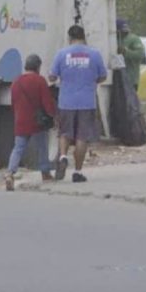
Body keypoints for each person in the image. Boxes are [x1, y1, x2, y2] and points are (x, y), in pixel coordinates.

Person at [50, 25, 108, 183]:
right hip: (86, 102)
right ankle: (77, 171)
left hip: (66, 101)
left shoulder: (61, 54)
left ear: (69, 38)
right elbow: (103, 76)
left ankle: (62, 156)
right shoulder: (94, 54)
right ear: (84, 36)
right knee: (82, 137)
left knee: (64, 133)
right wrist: (91, 81)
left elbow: (52, 77)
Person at [4, 54, 57, 192]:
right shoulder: (40, 81)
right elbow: (47, 102)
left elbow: (13, 102)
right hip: (37, 121)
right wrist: (53, 115)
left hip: (21, 120)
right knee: (42, 146)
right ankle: (45, 172)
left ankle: (10, 173)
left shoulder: (16, 81)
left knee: (18, 148)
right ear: (38, 67)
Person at [117, 19, 146, 92]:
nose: (124, 33)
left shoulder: (133, 39)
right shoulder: (114, 39)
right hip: (117, 79)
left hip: (131, 78)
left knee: (130, 101)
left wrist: (126, 52)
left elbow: (140, 54)